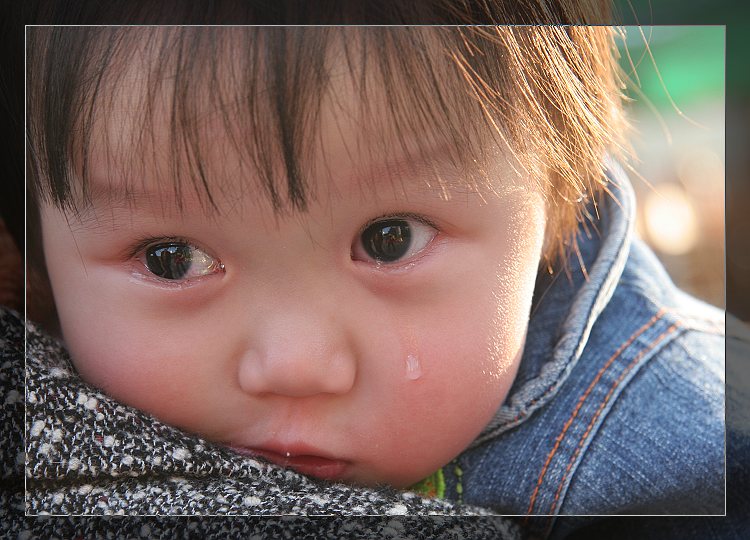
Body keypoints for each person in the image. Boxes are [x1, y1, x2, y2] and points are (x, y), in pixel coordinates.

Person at [22, 2, 735, 537]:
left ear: (555, 202)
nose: (295, 365)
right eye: (170, 260)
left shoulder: (691, 463)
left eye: (389, 241)